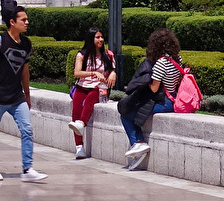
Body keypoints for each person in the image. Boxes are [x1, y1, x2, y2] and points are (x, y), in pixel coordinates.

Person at [0, 6, 47, 183]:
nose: (27, 22)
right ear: (12, 22)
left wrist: (27, 95)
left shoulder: (26, 43)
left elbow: (25, 72)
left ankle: (27, 168)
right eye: (23, 20)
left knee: (27, 130)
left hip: (16, 97)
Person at [119, 29, 182, 168]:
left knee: (127, 115)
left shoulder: (160, 63)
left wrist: (143, 81)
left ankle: (138, 143)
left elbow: (154, 88)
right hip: (174, 99)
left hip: (164, 102)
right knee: (136, 114)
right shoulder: (178, 58)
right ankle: (138, 146)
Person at [69, 28, 117, 158]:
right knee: (76, 110)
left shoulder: (108, 55)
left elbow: (112, 69)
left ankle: (82, 124)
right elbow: (77, 73)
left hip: (99, 88)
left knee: (91, 98)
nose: (101, 40)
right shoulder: (82, 54)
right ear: (91, 39)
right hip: (82, 86)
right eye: (97, 37)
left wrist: (113, 73)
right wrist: (94, 73)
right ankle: (79, 147)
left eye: (102, 37)